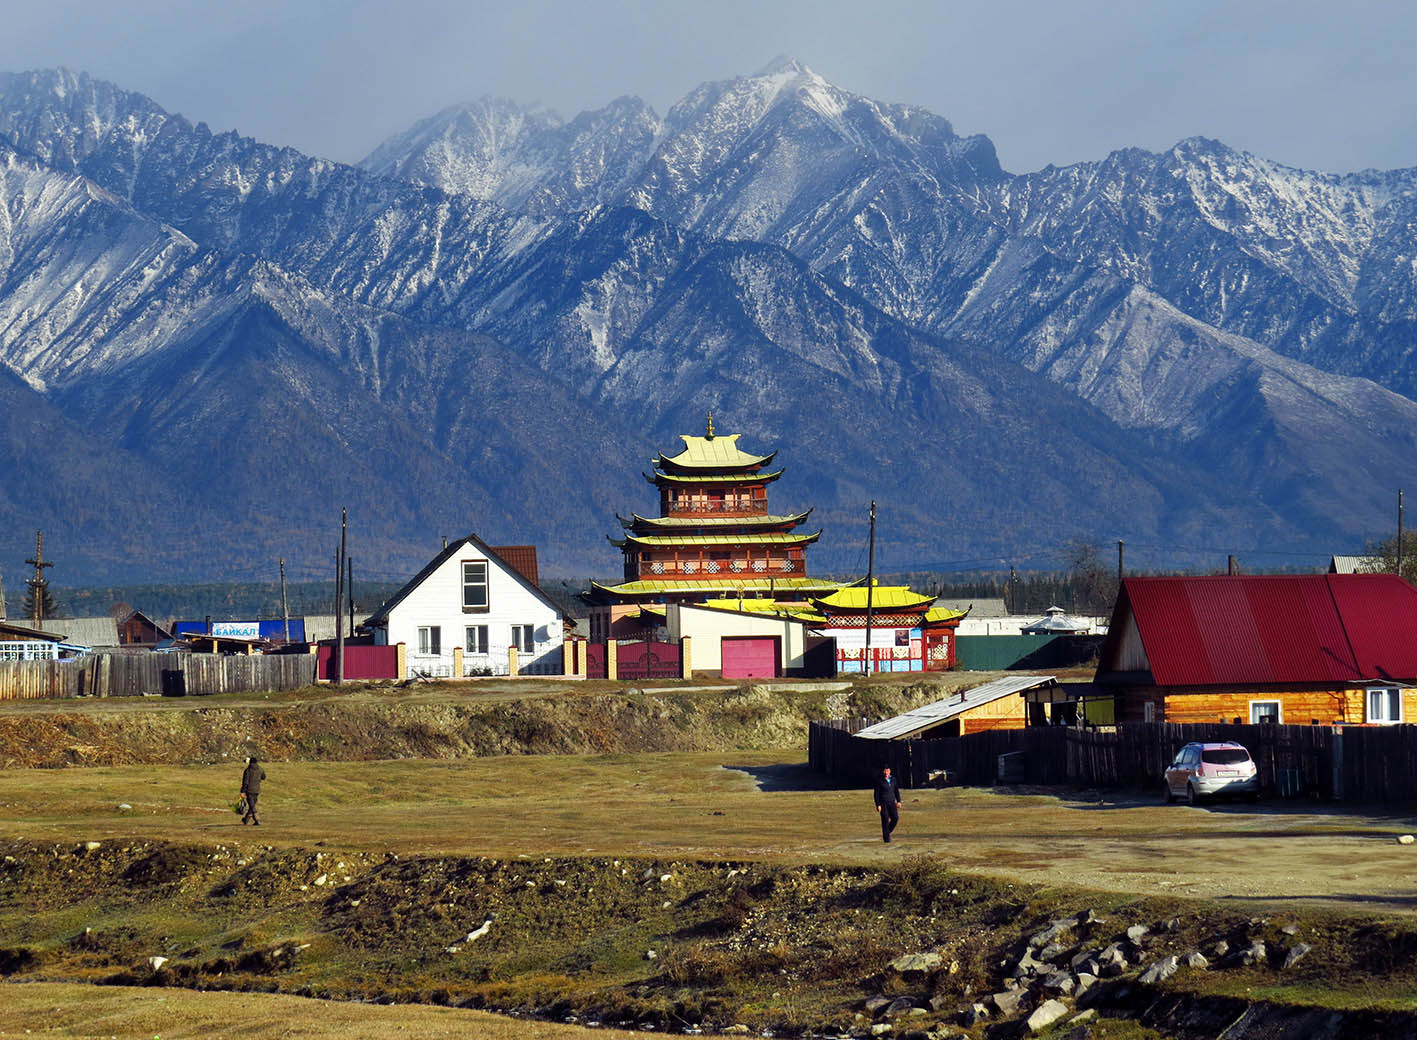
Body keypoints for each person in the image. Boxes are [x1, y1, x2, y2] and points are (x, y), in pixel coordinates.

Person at [874, 765, 901, 843]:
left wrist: (898, 801)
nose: (886, 772)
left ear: (890, 771)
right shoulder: (879, 781)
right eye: (884, 771)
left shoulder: (893, 780)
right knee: (885, 819)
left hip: (892, 802)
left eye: (887, 771)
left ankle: (887, 832)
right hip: (883, 803)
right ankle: (886, 839)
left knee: (895, 818)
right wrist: (878, 804)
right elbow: (876, 794)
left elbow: (896, 791)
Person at [240, 755, 266, 826]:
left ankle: (257, 820)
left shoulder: (248, 770)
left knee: (252, 806)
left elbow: (245, 782)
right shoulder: (260, 769)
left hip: (249, 790)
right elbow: (264, 777)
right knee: (252, 805)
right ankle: (246, 819)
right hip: (257, 790)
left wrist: (242, 791)